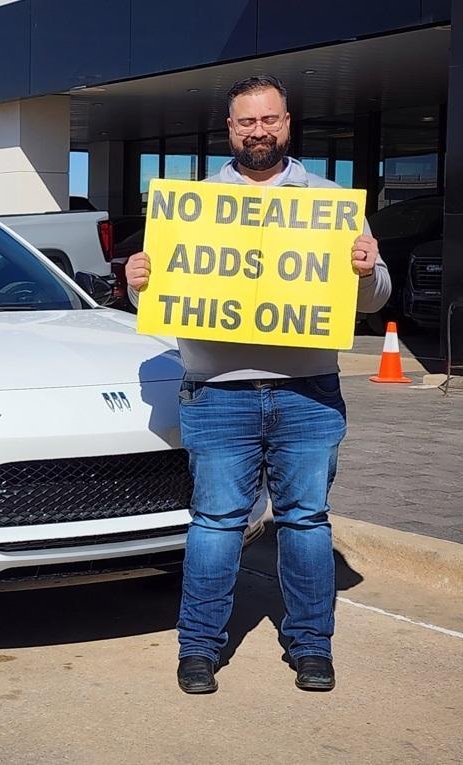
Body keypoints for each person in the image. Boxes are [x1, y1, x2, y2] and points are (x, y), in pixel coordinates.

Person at [125, 74, 391, 694]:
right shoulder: (191, 206)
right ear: (231, 131)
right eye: (247, 122)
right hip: (216, 391)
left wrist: (365, 270)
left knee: (305, 522)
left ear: (288, 123)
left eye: (269, 120)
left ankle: (311, 647)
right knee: (216, 522)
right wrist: (138, 276)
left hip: (308, 392)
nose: (259, 131)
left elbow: (374, 297)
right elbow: (155, 290)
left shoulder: (328, 202)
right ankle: (198, 648)